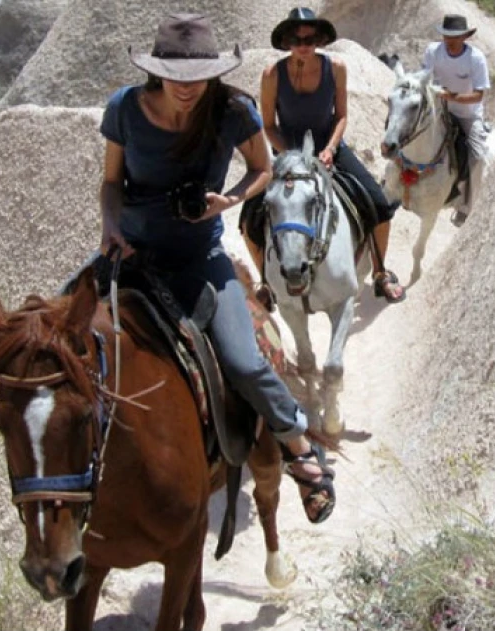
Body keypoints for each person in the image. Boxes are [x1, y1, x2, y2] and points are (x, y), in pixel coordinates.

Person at [99, 13, 334, 524]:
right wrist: (109, 228)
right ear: (156, 72)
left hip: (198, 257)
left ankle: (298, 449)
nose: (187, 89)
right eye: (177, 78)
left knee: (245, 361)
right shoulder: (123, 109)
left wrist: (227, 201)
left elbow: (263, 168)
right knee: (55, 336)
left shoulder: (233, 110)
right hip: (133, 250)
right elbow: (111, 183)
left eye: (198, 79)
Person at [240, 7, 406, 307]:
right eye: (296, 38)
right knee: (248, 218)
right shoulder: (271, 75)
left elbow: (341, 116)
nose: (303, 43)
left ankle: (380, 272)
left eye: (310, 37)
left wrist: (329, 148)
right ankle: (266, 281)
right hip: (288, 155)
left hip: (330, 149)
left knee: (379, 205)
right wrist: (289, 154)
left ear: (319, 39)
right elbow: (267, 125)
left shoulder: (337, 68)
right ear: (287, 41)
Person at [422, 14, 490, 228]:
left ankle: (466, 207)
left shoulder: (476, 58)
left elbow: (479, 94)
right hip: (440, 110)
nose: (449, 40)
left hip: (468, 114)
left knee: (478, 157)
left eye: (454, 36)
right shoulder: (433, 52)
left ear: (464, 37)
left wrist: (453, 97)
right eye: (446, 36)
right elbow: (425, 78)